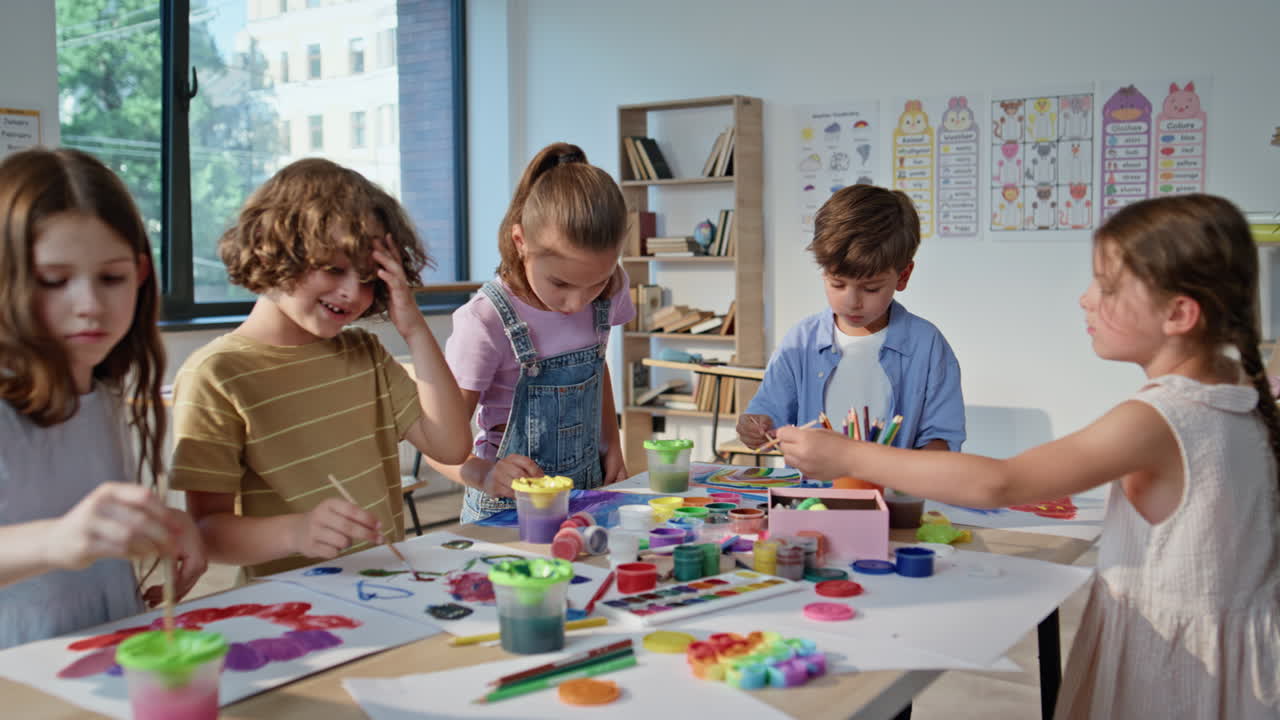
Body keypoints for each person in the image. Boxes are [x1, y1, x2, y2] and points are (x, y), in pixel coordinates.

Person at [778, 194, 1280, 718]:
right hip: (1229, 663)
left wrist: (849, 455)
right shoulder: (1237, 391)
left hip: (1181, 670)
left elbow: (1001, 484)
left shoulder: (1160, 418)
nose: (1085, 299)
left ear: (1179, 312)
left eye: (1106, 287)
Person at [170, 158, 471, 579]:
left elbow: (452, 446)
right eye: (333, 268)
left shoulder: (364, 353)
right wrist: (295, 532)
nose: (352, 292)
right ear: (273, 249)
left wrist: (415, 329)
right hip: (292, 614)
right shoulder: (216, 374)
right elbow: (206, 531)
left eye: (369, 278)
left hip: (391, 593)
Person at [0, 148, 205, 648]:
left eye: (111, 278)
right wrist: (56, 540)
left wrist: (162, 523)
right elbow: (61, 536)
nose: (90, 306)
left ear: (138, 274)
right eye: (54, 281)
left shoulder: (104, 391)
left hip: (100, 655)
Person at [432, 142, 635, 522]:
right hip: (506, 513)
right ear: (520, 242)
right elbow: (437, 445)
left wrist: (614, 446)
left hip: (587, 496)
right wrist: (486, 473)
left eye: (595, 284)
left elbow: (595, 365)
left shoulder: (612, 289)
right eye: (560, 283)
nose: (577, 304)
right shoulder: (485, 322)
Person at [738, 184, 964, 452]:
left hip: (892, 494)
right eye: (837, 284)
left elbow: (942, 440)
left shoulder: (927, 346)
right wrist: (755, 426)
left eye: (871, 288)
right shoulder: (800, 342)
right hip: (811, 494)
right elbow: (767, 412)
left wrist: (908, 476)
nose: (852, 301)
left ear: (903, 276)